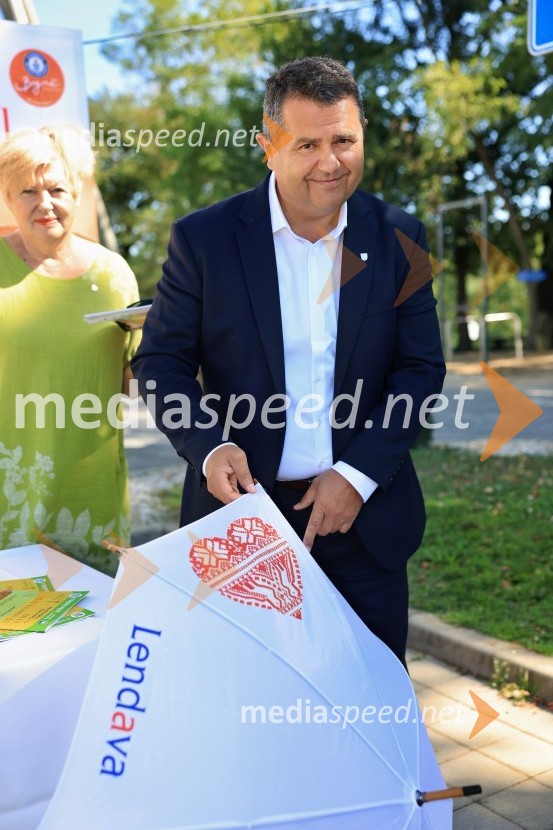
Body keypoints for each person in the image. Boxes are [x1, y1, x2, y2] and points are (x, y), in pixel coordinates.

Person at [132, 57, 446, 664]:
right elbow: (162, 362)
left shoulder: (399, 236)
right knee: (248, 723)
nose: (331, 162)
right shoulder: (203, 240)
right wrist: (209, 447)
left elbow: (419, 371)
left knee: (371, 718)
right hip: (241, 524)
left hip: (366, 525)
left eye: (344, 140)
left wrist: (355, 476)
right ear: (266, 147)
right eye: (308, 144)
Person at [0, 125, 140, 569]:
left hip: (91, 496)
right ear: (6, 198)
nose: (44, 203)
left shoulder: (114, 275)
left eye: (57, 188)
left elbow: (130, 383)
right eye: (27, 191)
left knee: (93, 625)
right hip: (9, 494)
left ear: (77, 193)